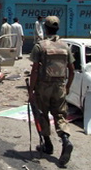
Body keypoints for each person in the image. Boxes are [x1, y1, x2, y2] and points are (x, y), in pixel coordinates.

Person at [29, 16, 75, 167]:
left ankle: (47, 144)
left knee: (42, 114)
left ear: (45, 28)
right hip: (60, 87)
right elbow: (72, 70)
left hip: (43, 87)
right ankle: (66, 140)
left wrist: (31, 90)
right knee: (60, 115)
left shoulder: (40, 46)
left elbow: (35, 70)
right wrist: (67, 86)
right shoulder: (65, 46)